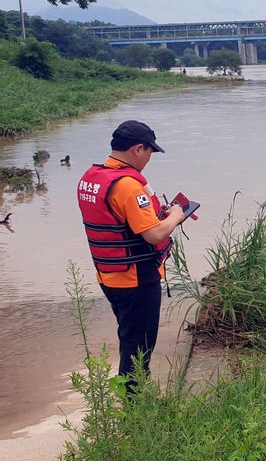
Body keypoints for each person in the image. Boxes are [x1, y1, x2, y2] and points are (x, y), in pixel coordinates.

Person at [77, 120, 186, 391]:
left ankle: (133, 398)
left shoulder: (91, 178)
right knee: (139, 346)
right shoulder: (127, 185)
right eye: (150, 152)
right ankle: (135, 407)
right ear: (139, 149)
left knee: (130, 337)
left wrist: (157, 217)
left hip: (108, 276)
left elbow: (118, 222)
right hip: (136, 279)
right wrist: (175, 216)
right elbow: (154, 235)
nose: (149, 159)